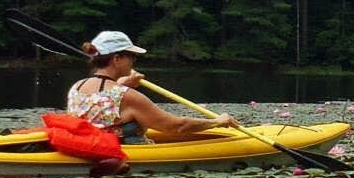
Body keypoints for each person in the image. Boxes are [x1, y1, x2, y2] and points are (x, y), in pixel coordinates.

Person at [67, 29, 239, 142]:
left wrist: (121, 83)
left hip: (91, 150)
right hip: (129, 158)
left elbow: (103, 102)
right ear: (117, 59)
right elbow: (176, 126)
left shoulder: (77, 87)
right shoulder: (127, 96)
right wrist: (217, 122)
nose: (134, 61)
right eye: (131, 57)